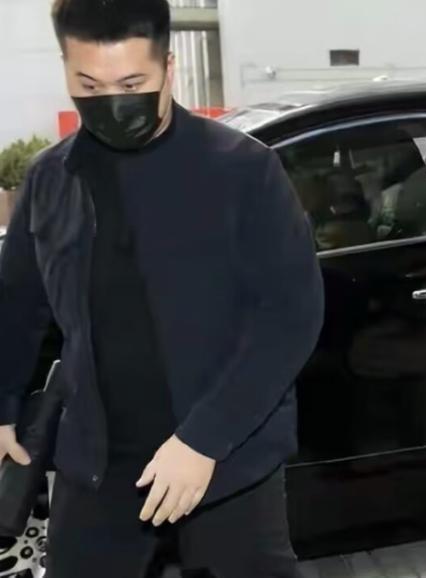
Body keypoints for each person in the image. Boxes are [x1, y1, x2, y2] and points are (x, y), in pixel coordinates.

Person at [0, 1, 324, 576]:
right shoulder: (51, 179)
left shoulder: (243, 170)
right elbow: (16, 305)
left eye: (131, 84)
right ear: (66, 70)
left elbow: (290, 314)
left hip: (227, 469)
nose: (111, 101)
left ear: (168, 68)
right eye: (89, 85)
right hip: (97, 469)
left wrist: (204, 440)